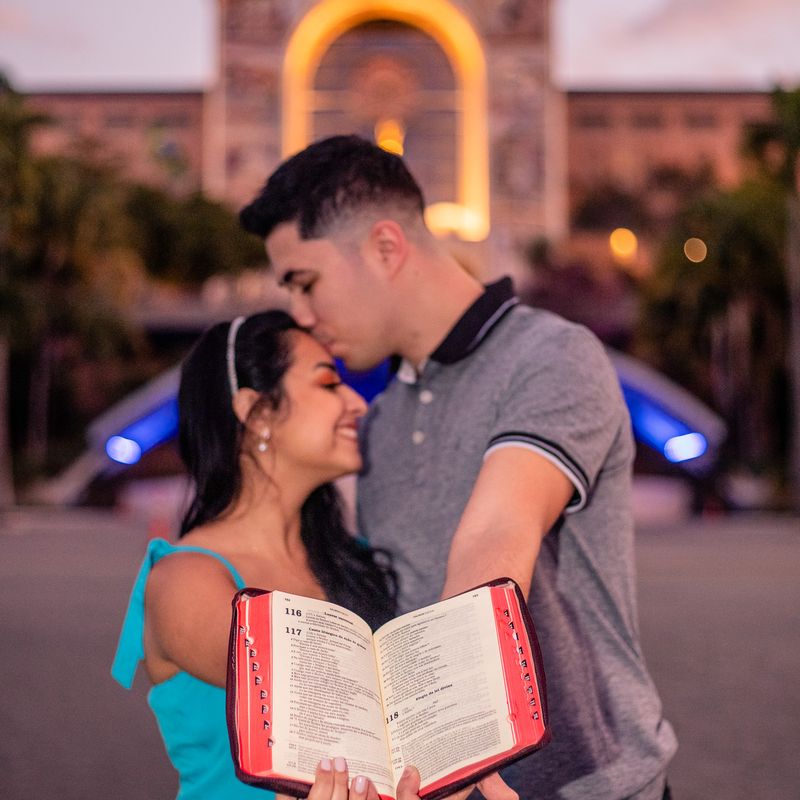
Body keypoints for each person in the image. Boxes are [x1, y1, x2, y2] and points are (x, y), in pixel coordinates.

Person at [239, 135, 678, 800]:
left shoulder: (551, 356)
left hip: (593, 786)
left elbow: (498, 532)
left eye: (306, 282)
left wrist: (464, 757)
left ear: (386, 248)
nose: (300, 314)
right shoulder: (380, 422)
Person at [111, 310, 398, 799]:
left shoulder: (355, 558)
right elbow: (316, 694)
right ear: (258, 412)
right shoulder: (186, 578)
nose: (357, 404)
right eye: (329, 384)